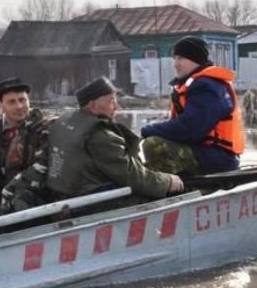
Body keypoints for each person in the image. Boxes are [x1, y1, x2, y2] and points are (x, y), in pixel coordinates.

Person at [45, 77, 184, 201]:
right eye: (111, 101)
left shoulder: (65, 121)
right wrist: (167, 182)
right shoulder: (99, 135)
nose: (117, 107)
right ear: (93, 106)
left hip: (61, 195)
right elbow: (131, 176)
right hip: (86, 202)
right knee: (152, 198)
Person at [141, 36, 245, 176]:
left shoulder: (207, 87)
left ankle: (175, 189)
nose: (176, 64)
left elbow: (190, 128)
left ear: (196, 60)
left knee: (153, 144)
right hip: (205, 153)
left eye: (181, 58)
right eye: (175, 58)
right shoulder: (197, 84)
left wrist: (149, 130)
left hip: (217, 159)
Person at [0, 78, 53, 213]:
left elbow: (45, 167)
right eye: (12, 102)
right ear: (1, 105)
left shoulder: (43, 129)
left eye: (22, 100)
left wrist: (10, 190)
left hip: (31, 200)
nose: (19, 106)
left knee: (18, 202)